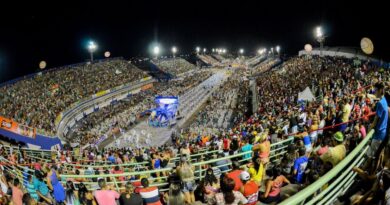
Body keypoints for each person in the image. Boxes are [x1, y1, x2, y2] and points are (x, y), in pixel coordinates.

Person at [367, 82, 388, 158]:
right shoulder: (384, 100)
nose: (374, 91)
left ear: (379, 90)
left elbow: (375, 121)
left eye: (375, 90)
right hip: (383, 132)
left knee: (370, 156)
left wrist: (369, 129)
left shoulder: (380, 103)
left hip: (378, 135)